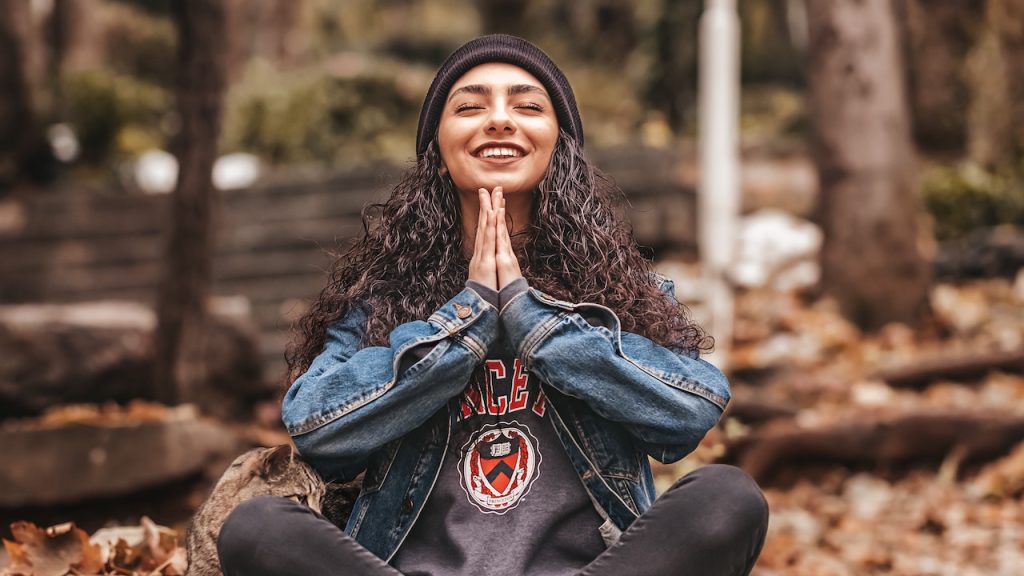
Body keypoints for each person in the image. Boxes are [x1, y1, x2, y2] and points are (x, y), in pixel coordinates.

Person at [217, 34, 768, 576]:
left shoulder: (624, 293)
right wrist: (466, 320)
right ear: (437, 154)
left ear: (561, 150)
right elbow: (315, 428)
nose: (500, 120)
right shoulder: (377, 304)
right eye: (470, 107)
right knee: (258, 528)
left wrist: (538, 324)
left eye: (527, 106)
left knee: (727, 498)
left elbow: (692, 410)